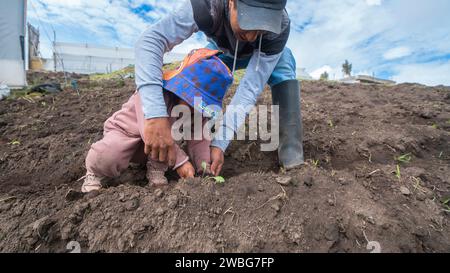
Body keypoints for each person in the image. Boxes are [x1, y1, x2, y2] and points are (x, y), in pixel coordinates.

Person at [136, 0, 305, 177]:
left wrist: (220, 143)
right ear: (231, 2)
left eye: (261, 29)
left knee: (284, 62)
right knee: (198, 69)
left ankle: (291, 154)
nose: (252, 36)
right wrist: (155, 115)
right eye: (248, 23)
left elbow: (249, 89)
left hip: (259, 55)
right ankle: (174, 137)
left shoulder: (280, 27)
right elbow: (151, 40)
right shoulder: (206, 6)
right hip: (222, 50)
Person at [81, 48, 233, 193]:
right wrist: (181, 162)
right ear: (183, 87)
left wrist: (205, 166)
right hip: (126, 136)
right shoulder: (154, 93)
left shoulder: (197, 112)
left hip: (155, 147)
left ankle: (155, 168)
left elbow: (198, 139)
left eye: (202, 105)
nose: (196, 109)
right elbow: (152, 131)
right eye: (193, 101)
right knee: (108, 155)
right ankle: (94, 173)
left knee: (168, 139)